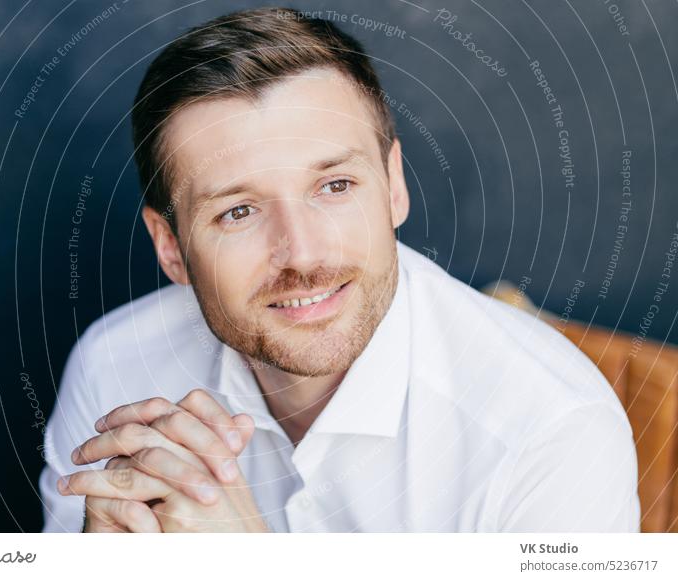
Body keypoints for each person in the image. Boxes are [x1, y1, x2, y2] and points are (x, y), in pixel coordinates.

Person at [38, 7, 640, 533]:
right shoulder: (114, 365)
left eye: (334, 185)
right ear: (170, 246)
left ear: (393, 186)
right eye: (239, 211)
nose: (302, 254)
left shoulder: (552, 433)